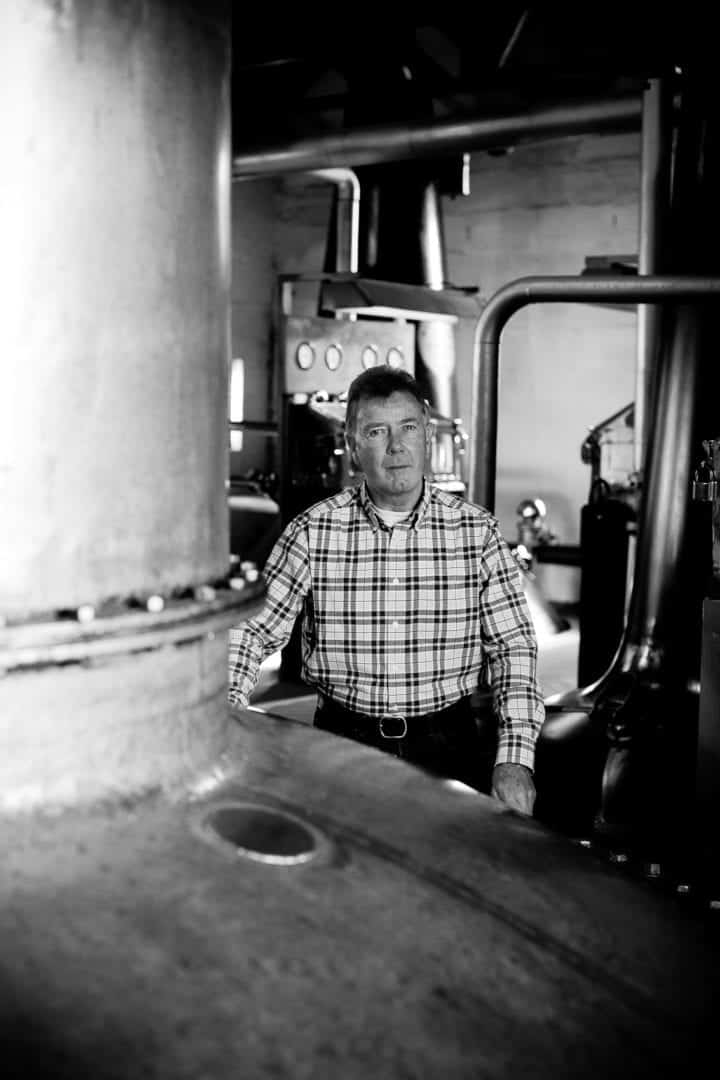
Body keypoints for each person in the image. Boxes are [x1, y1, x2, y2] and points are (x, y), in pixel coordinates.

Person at [229, 366, 544, 814]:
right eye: (376, 432)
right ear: (353, 445)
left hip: (448, 746)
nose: (396, 446)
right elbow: (251, 632)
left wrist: (514, 759)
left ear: (427, 435)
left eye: (408, 428)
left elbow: (513, 649)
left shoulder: (476, 534)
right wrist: (225, 718)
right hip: (342, 745)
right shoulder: (313, 531)